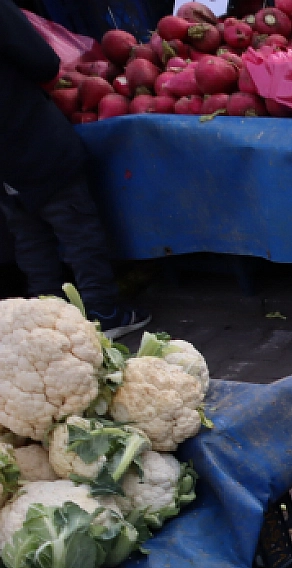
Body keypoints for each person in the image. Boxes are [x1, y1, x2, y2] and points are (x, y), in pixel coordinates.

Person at [0, 0, 148, 336]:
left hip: (6, 165)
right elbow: (43, 63)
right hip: (30, 137)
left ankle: (46, 323)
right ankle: (104, 313)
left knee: (29, 237)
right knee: (77, 230)